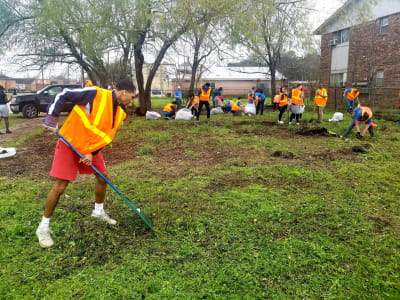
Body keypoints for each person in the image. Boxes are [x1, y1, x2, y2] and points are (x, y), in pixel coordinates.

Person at [36, 79, 137, 248]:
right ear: (124, 92)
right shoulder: (94, 94)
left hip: (90, 148)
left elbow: (105, 137)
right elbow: (64, 94)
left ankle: (98, 212)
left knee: (103, 178)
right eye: (132, 97)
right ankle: (43, 227)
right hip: (70, 143)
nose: (132, 101)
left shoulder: (120, 112)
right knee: (60, 186)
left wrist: (91, 152)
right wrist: (52, 118)